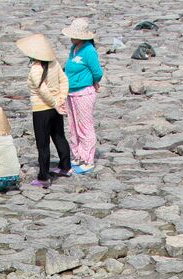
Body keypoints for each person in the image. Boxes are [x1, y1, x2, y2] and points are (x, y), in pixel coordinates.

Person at [17, 34, 70, 188]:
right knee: (59, 136)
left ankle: (44, 176)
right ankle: (65, 166)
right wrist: (61, 99)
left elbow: (42, 90)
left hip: (42, 109)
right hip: (55, 109)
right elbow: (64, 80)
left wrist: (55, 103)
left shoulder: (35, 69)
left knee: (43, 144)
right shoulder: (54, 63)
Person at [62, 18, 102, 174]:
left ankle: (88, 159)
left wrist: (93, 82)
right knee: (73, 126)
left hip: (84, 92)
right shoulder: (74, 48)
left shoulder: (89, 51)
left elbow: (97, 72)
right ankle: (77, 155)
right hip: (70, 92)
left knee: (85, 127)